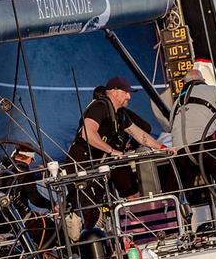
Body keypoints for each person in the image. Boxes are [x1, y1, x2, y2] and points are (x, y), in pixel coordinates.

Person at [67, 76, 169, 229]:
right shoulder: (99, 107)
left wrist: (162, 148)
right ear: (114, 92)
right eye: (126, 92)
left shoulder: (121, 114)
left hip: (103, 165)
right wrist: (112, 150)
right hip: (82, 165)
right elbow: (87, 133)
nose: (129, 96)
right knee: (89, 210)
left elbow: (139, 134)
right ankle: (89, 243)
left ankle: (136, 231)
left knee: (120, 196)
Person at [169, 69, 216, 211]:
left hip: (180, 151)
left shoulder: (176, 103)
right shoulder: (210, 90)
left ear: (184, 83)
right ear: (202, 81)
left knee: (178, 195)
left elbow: (172, 127)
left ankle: (183, 229)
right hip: (203, 144)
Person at [0, 147, 58, 255]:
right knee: (50, 226)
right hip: (18, 219)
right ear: (28, 158)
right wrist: (52, 205)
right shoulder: (23, 171)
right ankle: (50, 257)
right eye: (31, 160)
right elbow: (35, 199)